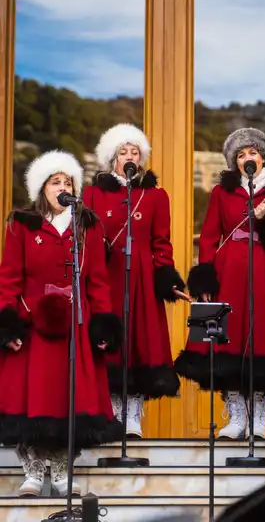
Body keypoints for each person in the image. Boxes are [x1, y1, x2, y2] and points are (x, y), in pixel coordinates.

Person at [0, 150, 123, 497]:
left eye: (68, 181)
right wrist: (8, 324)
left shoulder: (87, 226)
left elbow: (98, 279)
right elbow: (9, 278)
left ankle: (61, 471)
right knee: (34, 399)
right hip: (33, 323)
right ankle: (34, 472)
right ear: (42, 188)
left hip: (76, 324)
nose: (63, 186)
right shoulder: (22, 224)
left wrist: (103, 324)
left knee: (70, 398)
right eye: (56, 181)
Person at [175, 128, 265, 439]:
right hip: (227, 272)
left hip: (263, 272)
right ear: (234, 162)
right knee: (226, 344)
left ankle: (258, 416)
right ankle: (235, 415)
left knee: (260, 342)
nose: (247, 158)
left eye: (252, 152)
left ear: (263, 157)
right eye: (241, 154)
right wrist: (204, 277)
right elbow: (208, 237)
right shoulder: (221, 192)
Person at [83, 123, 187, 439]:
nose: (129, 156)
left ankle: (133, 418)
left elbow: (161, 241)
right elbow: (84, 237)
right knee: (110, 340)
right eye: (123, 151)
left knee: (140, 341)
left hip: (140, 277)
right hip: (106, 276)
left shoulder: (155, 195)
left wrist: (166, 275)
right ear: (112, 158)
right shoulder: (91, 193)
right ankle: (112, 413)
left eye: (135, 151)